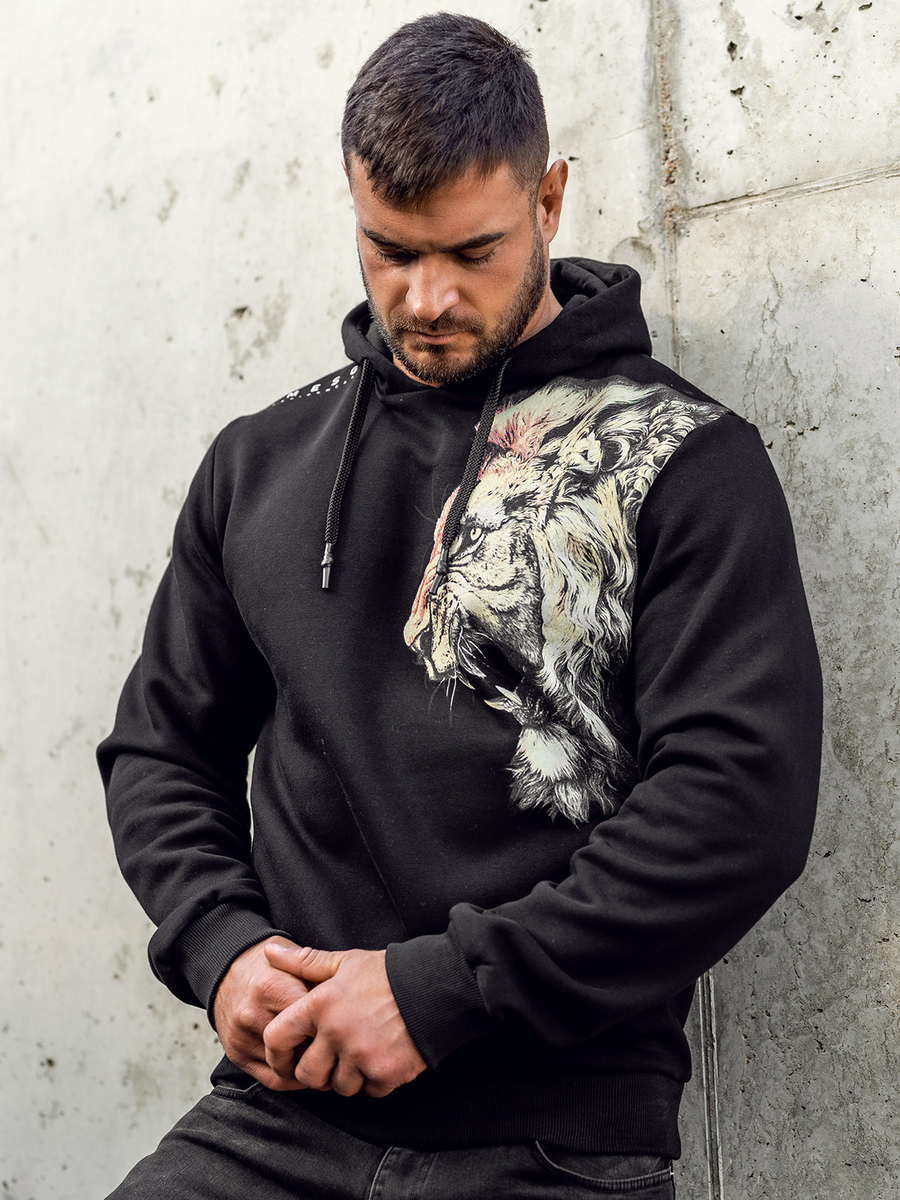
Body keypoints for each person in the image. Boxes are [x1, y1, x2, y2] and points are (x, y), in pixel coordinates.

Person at [98, 13, 822, 1199]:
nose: (426, 296)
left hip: (556, 1140)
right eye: (390, 251)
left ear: (550, 199)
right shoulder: (259, 464)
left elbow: (736, 810)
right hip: (277, 1121)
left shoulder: (685, 460)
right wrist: (222, 948)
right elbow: (160, 751)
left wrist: (438, 994)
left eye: (472, 252)